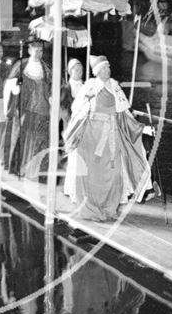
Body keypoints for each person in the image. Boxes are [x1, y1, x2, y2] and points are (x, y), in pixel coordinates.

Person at [63, 55, 152, 221]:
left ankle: (109, 208)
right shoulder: (90, 85)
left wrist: (143, 128)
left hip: (111, 136)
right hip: (91, 135)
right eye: (104, 68)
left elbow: (124, 113)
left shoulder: (115, 86)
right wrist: (86, 103)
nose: (107, 70)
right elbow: (77, 109)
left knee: (113, 173)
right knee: (91, 174)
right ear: (96, 71)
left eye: (108, 67)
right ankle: (90, 208)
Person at [2, 38, 51, 180]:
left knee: (40, 140)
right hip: (25, 108)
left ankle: (38, 171)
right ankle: (21, 168)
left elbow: (50, 86)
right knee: (23, 138)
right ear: (29, 50)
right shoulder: (21, 65)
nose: (38, 53)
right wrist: (15, 89)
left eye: (40, 50)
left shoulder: (46, 68)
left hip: (42, 108)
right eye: (35, 50)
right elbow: (9, 84)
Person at [60, 58, 84, 127]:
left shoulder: (86, 86)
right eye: (77, 70)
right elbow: (63, 109)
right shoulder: (64, 89)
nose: (80, 72)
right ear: (70, 72)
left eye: (81, 70)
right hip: (70, 124)